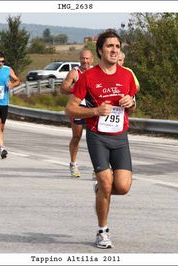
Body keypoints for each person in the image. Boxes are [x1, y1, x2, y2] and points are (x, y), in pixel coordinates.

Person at [65, 30, 137, 249]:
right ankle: (102, 231)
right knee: (106, 182)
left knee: (122, 187)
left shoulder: (126, 75)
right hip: (97, 136)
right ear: (100, 50)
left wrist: (130, 103)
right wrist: (95, 111)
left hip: (120, 137)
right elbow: (70, 108)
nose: (114, 50)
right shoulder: (88, 76)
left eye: (117, 46)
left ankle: (100, 191)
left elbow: (132, 109)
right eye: (109, 46)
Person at [60, 49, 94, 177]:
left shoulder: (95, 72)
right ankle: (73, 164)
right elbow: (63, 89)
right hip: (78, 108)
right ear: (80, 59)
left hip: (92, 109)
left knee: (95, 138)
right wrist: (76, 89)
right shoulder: (74, 73)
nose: (85, 61)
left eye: (87, 59)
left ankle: (97, 168)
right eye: (83, 58)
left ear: (92, 60)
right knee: (77, 136)